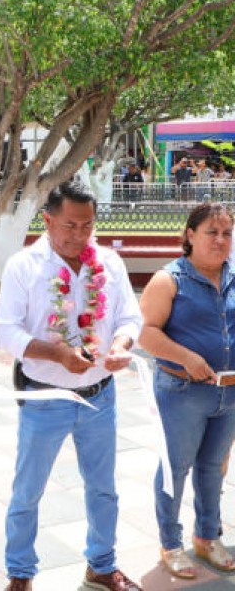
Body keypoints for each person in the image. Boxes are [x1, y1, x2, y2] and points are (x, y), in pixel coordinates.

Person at [0, 179, 143, 591]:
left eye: (87, 226)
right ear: (47, 220)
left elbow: (131, 317)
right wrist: (57, 353)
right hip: (45, 397)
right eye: (70, 226)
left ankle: (101, 564)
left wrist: (120, 343)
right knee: (28, 492)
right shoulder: (24, 266)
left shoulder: (110, 263)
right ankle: (20, 574)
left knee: (103, 489)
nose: (79, 235)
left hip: (100, 396)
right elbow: (5, 332)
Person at [138, 203, 235, 580]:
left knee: (213, 469)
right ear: (189, 235)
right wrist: (185, 357)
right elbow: (145, 331)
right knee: (175, 469)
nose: (221, 240)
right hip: (182, 391)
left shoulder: (232, 275)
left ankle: (207, 537)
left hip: (228, 393)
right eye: (211, 232)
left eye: (227, 233)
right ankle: (171, 544)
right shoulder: (170, 279)